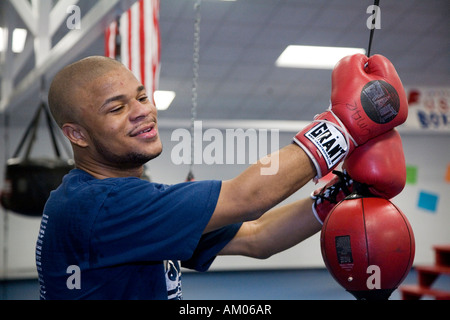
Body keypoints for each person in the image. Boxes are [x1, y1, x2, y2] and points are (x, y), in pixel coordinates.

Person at [36, 53, 407, 299]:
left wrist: (337, 196)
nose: (141, 112)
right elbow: (245, 198)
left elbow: (257, 238)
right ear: (77, 134)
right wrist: (345, 126)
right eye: (117, 107)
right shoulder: (99, 206)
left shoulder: (123, 199)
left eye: (142, 97)